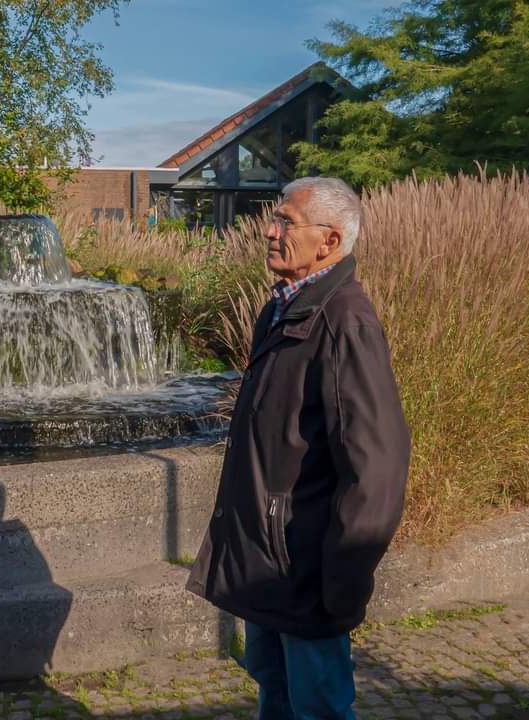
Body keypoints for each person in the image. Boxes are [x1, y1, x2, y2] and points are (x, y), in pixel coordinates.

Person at [186, 177, 411, 719]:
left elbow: (376, 467)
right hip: (269, 562)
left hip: (305, 567)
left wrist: (342, 579)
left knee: (318, 708)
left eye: (286, 221)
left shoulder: (344, 322)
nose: (270, 230)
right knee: (276, 696)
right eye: (275, 218)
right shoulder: (284, 309)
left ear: (329, 241)